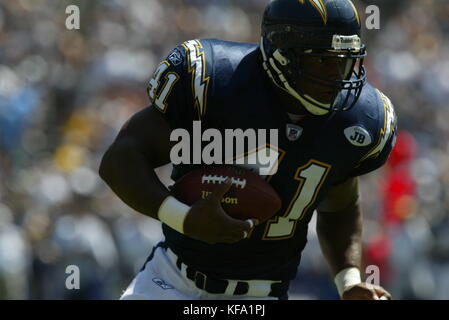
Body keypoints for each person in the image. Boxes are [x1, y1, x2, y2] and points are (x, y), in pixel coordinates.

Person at [99, 0, 396, 300]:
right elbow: (121, 158)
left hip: (262, 296)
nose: (336, 76)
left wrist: (348, 280)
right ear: (281, 52)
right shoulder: (214, 82)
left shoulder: (359, 121)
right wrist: (182, 218)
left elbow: (340, 204)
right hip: (172, 280)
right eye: (322, 60)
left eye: (344, 61)